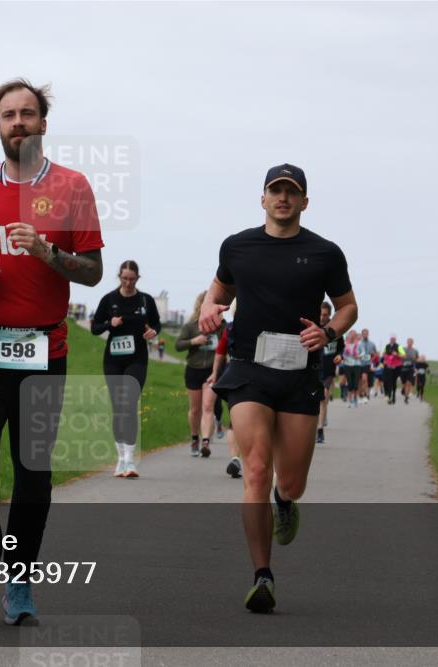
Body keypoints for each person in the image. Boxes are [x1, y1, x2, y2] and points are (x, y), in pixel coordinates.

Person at [0, 78, 104, 626]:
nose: (18, 122)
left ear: (42, 124)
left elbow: (93, 272)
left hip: (43, 350)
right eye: (8, 114)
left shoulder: (72, 186)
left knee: (32, 472)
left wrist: (49, 252)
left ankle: (19, 579)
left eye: (27, 114)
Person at [198, 163, 357, 613]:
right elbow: (217, 295)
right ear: (263, 198)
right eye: (275, 190)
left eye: (292, 192)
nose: (283, 198)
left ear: (305, 201)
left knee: (291, 480)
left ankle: (285, 501)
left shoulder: (326, 253)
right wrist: (211, 310)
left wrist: (328, 334)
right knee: (255, 468)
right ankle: (262, 575)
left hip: (300, 373)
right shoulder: (237, 246)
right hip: (249, 369)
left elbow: (347, 308)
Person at [91, 261, 161, 476]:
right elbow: (95, 328)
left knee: (129, 402)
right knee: (118, 406)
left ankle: (130, 459)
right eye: (124, 278)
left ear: (138, 278)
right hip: (113, 359)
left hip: (137, 358)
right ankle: (120, 457)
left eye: (132, 279)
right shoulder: (109, 299)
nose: (128, 282)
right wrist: (109, 324)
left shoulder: (145, 300)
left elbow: (157, 324)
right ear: (119, 277)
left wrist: (153, 332)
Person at [175, 291, 222, 458]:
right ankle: (195, 438)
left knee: (208, 407)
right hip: (194, 369)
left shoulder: (221, 326)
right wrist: (193, 341)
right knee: (195, 409)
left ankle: (206, 442)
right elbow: (178, 345)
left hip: (212, 371)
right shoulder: (191, 326)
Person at [212, 313, 243, 477]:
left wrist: (215, 374)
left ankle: (234, 457)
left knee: (234, 420)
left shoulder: (230, 328)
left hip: (234, 375)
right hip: (258, 376)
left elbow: (220, 353)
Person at [316, 301, 343, 444]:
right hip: (313, 369)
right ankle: (317, 423)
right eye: (320, 314)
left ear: (329, 315)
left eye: (325, 315)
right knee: (314, 401)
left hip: (328, 370)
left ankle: (320, 431)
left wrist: (340, 355)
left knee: (323, 397)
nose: (322, 317)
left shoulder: (334, 329)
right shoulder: (313, 327)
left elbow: (341, 347)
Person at [341, 330, 362, 408]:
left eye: (354, 335)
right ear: (349, 335)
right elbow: (342, 354)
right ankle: (350, 401)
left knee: (355, 383)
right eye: (351, 335)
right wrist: (343, 357)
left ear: (356, 336)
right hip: (347, 365)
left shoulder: (359, 344)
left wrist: (359, 356)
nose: (352, 336)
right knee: (349, 383)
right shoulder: (345, 345)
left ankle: (355, 399)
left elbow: (363, 353)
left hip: (357, 365)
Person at [358, 328, 378, 402]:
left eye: (366, 333)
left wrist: (372, 358)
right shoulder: (359, 344)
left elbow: (376, 354)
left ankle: (366, 394)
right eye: (364, 334)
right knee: (360, 381)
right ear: (362, 334)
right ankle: (360, 393)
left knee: (364, 379)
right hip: (359, 364)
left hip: (367, 364)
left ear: (368, 334)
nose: (365, 335)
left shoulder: (372, 344)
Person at [383, 335, 404, 404]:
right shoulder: (387, 346)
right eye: (391, 339)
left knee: (394, 382)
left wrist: (397, 354)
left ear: (395, 340)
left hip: (396, 367)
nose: (392, 340)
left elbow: (404, 355)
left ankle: (394, 395)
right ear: (389, 339)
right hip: (388, 366)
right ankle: (389, 396)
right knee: (388, 381)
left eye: (393, 339)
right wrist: (385, 359)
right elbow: (383, 354)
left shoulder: (399, 346)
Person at [401, 337, 420, 403]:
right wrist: (402, 357)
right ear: (407, 342)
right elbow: (399, 356)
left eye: (411, 342)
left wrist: (414, 359)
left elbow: (418, 359)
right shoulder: (403, 349)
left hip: (411, 368)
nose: (409, 343)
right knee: (404, 383)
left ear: (412, 343)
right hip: (403, 368)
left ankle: (406, 397)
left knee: (409, 382)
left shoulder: (415, 351)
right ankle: (403, 388)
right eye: (408, 342)